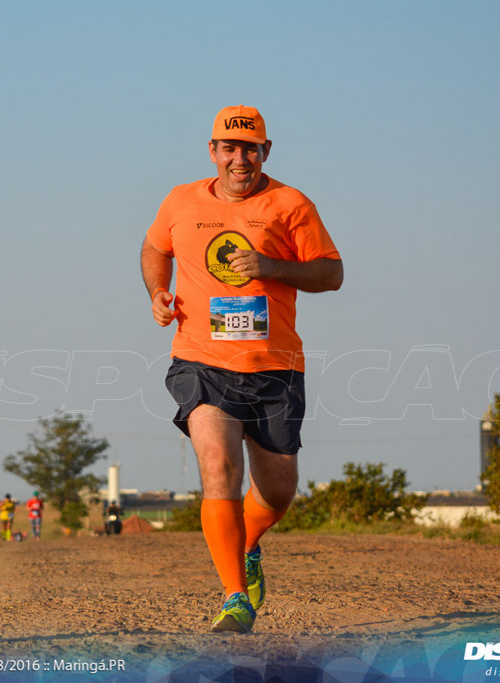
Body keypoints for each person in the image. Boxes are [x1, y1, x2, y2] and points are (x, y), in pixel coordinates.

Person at [140, 105, 343, 633]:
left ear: (265, 152)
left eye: (249, 148)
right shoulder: (181, 200)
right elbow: (153, 248)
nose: (239, 158)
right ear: (213, 151)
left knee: (278, 490)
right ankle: (234, 597)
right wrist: (158, 294)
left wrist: (272, 267)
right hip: (201, 361)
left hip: (275, 365)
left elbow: (332, 273)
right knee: (218, 468)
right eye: (228, 147)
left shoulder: (291, 204)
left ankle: (248, 543)